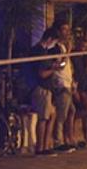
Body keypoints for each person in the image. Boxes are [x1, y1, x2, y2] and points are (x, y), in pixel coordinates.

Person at [29, 29, 60, 156]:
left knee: (51, 115)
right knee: (43, 118)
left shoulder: (44, 51)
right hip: (41, 88)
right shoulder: (38, 52)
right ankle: (40, 148)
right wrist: (54, 68)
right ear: (49, 39)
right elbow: (42, 73)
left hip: (47, 88)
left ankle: (45, 145)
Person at [52, 23, 77, 153]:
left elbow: (68, 66)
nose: (67, 32)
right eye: (64, 29)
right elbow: (60, 65)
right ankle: (59, 141)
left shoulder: (63, 46)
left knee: (71, 110)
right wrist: (67, 53)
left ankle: (69, 138)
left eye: (68, 29)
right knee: (61, 114)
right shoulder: (56, 47)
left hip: (68, 82)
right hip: (61, 83)